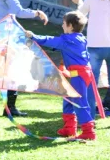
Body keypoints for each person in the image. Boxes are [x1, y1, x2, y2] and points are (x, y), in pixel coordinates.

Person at [0, 0, 49, 116]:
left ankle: (9, 108)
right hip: (5, 36)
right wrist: (37, 13)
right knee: (11, 70)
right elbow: (18, 11)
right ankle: (10, 108)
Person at [25, 11, 97, 140]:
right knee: (68, 98)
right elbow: (59, 45)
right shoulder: (79, 38)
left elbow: (50, 40)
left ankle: (88, 131)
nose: (62, 26)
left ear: (70, 26)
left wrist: (33, 36)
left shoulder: (67, 39)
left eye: (64, 23)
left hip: (78, 74)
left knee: (79, 101)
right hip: (80, 73)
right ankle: (69, 128)